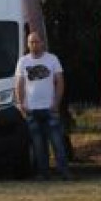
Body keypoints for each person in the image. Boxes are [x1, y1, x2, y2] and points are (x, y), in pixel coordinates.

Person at [14, 30, 71, 180]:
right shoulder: (23, 61)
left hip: (50, 109)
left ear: (42, 43)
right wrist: (20, 104)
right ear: (27, 44)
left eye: (36, 41)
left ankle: (64, 172)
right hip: (31, 110)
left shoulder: (52, 59)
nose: (33, 45)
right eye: (30, 42)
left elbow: (60, 82)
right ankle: (44, 174)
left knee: (57, 142)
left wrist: (56, 103)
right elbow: (19, 84)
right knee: (39, 145)